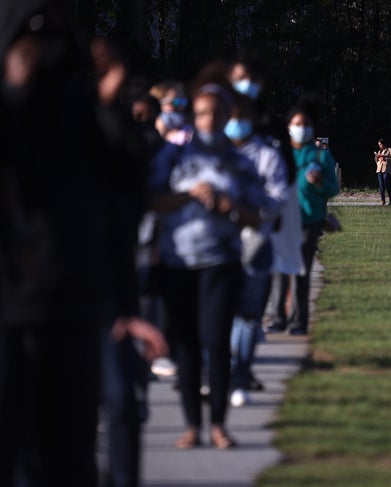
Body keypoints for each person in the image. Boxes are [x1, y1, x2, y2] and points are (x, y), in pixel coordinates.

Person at [0, 4, 165, 486]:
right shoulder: (10, 117)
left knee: (68, 455)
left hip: (74, 311)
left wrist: (108, 102)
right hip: (8, 314)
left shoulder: (84, 121)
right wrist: (12, 90)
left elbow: (127, 193)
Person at [148, 77, 264, 449]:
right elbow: (152, 200)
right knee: (186, 345)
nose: (208, 120)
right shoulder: (173, 155)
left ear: (228, 115)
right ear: (192, 119)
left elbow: (258, 217)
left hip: (220, 262)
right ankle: (191, 425)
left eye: (216, 113)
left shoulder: (238, 162)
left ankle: (217, 424)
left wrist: (231, 208)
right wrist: (187, 196)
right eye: (201, 113)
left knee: (215, 341)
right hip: (178, 261)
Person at [225, 94, 289, 407]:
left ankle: (239, 376)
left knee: (248, 315)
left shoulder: (267, 155)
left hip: (254, 241)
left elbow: (277, 199)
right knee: (217, 315)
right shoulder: (211, 153)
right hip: (217, 244)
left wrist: (250, 213)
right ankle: (217, 373)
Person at [286, 102, 340, 335]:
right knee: (280, 272)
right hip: (283, 220)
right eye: (297, 124)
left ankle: (300, 321)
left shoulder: (320, 155)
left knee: (301, 271)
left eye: (305, 124)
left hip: (310, 219)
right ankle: (279, 316)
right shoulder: (282, 152)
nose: (301, 128)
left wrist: (318, 183)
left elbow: (333, 188)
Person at [375, 138, 391, 205]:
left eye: (380, 144)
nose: (379, 146)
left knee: (387, 185)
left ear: (384, 144)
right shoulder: (379, 151)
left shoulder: (390, 149)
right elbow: (377, 161)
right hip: (379, 170)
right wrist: (376, 158)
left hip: (387, 170)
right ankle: (383, 201)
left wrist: (386, 158)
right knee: (381, 185)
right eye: (379, 144)